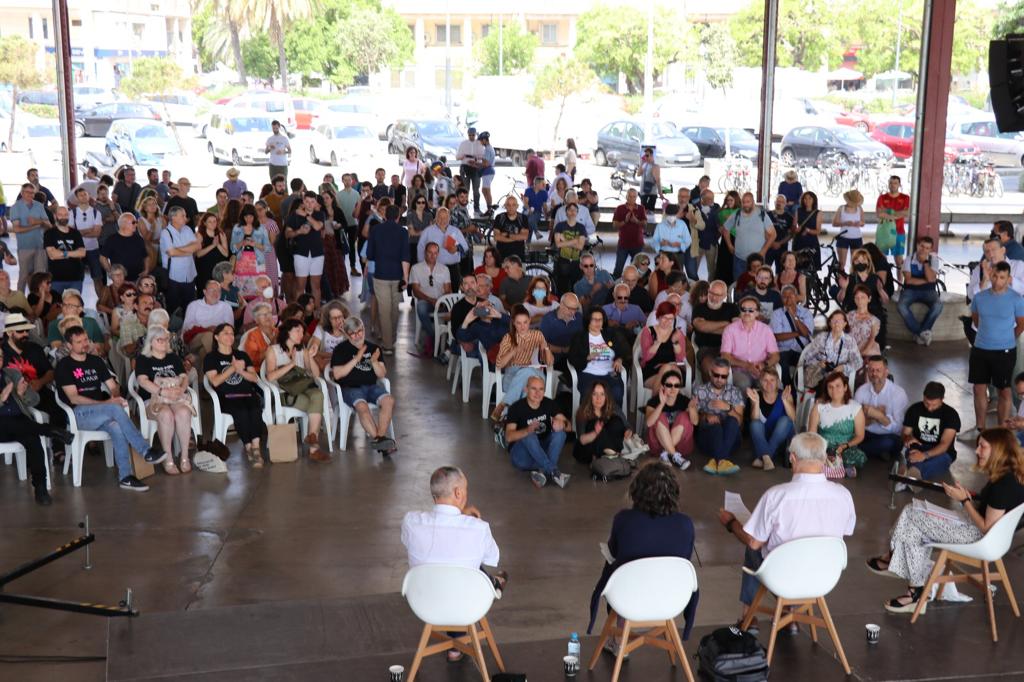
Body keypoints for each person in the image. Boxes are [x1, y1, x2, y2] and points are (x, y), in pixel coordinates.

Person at [869, 427, 1024, 613]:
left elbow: (986, 527)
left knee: (914, 518)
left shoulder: (1004, 484)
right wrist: (967, 497)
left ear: (999, 449)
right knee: (913, 511)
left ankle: (908, 579)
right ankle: (905, 576)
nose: (976, 451)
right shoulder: (1010, 475)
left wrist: (964, 500)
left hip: (979, 536)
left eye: (982, 446)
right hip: (981, 531)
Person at [719, 432, 856, 627]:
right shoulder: (843, 495)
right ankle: (788, 613)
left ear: (792, 458)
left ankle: (748, 617)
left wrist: (730, 523)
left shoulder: (777, 496)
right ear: (824, 458)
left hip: (784, 576)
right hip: (824, 576)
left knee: (753, 547)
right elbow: (844, 533)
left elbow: (753, 542)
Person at [587, 461, 698, 648]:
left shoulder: (624, 520)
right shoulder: (685, 524)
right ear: (674, 491)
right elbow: (684, 560)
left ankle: (620, 640)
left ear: (637, 491)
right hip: (671, 599)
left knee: (621, 572)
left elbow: (614, 553)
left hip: (628, 599)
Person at [55, 325, 163, 491]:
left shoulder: (96, 361)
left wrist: (115, 395)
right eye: (79, 342)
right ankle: (145, 450)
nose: (84, 344)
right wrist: (107, 404)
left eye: (85, 340)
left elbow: (112, 386)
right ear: (69, 346)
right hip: (78, 415)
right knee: (114, 409)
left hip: (102, 413)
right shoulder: (64, 365)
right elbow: (73, 397)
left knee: (117, 427)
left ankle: (125, 477)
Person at [964, 262, 1024, 443]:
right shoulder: (980, 297)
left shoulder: (1016, 299)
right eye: (995, 276)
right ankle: (980, 428)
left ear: (1009, 279)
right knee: (978, 388)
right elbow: (976, 320)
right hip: (980, 348)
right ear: (991, 275)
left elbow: (1021, 324)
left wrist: (1006, 338)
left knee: (1004, 391)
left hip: (1004, 351)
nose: (998, 281)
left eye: (1002, 278)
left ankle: (1001, 432)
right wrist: (988, 335)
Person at [0, 363, 72, 505]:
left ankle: (41, 488)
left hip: (20, 423)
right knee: (18, 425)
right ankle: (49, 430)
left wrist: (21, 394)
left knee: (33, 439)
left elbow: (34, 399)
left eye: (1, 356)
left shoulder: (10, 374)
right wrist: (2, 398)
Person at [331, 316, 397, 454]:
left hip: (371, 387)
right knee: (362, 406)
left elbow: (382, 374)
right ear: (347, 335)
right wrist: (357, 358)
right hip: (350, 388)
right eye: (353, 333)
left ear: (364, 329)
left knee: (389, 400)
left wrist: (374, 362)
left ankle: (380, 440)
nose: (357, 336)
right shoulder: (340, 349)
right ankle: (382, 442)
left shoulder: (374, 348)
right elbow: (337, 374)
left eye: (359, 331)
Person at [265, 318, 328, 461]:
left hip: (304, 387)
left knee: (318, 395)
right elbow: (270, 376)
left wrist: (310, 357)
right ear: (287, 332)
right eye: (297, 331)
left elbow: (316, 375)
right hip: (284, 392)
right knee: (316, 405)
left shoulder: (302, 350)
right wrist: (291, 364)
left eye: (302, 331)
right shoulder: (273, 350)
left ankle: (312, 439)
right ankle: (313, 450)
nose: (301, 334)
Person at [203, 323, 265, 467]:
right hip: (227, 397)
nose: (230, 336)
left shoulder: (241, 355)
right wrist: (233, 368)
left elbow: (254, 378)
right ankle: (248, 447)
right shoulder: (211, 358)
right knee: (241, 412)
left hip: (247, 394)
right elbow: (215, 382)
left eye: (232, 333)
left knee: (255, 410)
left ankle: (256, 448)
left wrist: (241, 371)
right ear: (216, 337)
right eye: (226, 333)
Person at [135, 326, 195, 475]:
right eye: (159, 340)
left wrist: (181, 389)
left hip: (175, 397)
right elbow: (142, 381)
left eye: (165, 339)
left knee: (183, 413)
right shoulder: (143, 359)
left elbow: (184, 377)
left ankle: (185, 456)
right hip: (154, 399)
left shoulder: (173, 358)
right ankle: (167, 457)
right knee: (166, 415)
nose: (163, 342)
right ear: (151, 342)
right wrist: (162, 391)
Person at [503, 375, 571, 488]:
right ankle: (553, 471)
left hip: (541, 450)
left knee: (560, 433)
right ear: (526, 389)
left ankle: (543, 471)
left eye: (541, 389)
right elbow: (508, 437)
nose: (537, 393)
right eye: (533, 389)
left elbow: (569, 427)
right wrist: (527, 430)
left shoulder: (549, 403)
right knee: (529, 436)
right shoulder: (516, 408)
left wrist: (562, 424)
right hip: (522, 456)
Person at [492, 305, 555, 421]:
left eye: (525, 322)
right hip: (513, 374)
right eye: (519, 323)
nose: (522, 326)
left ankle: (504, 406)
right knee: (528, 388)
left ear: (530, 321)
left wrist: (545, 348)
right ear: (514, 323)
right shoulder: (508, 338)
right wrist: (514, 350)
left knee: (529, 374)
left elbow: (550, 363)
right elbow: (499, 364)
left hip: (534, 373)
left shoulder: (537, 335)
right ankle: (524, 423)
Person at [894, 380, 961, 487]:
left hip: (942, 452)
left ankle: (906, 478)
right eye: (926, 403)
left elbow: (944, 445)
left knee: (939, 460)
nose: (929, 408)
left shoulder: (951, 414)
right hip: (918, 447)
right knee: (914, 456)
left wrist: (924, 455)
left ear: (942, 400)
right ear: (923, 397)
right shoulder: (914, 409)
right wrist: (908, 438)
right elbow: (905, 434)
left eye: (934, 405)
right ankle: (913, 478)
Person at [366, 204, 410, 356]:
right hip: (397, 276)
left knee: (384, 310)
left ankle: (387, 344)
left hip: (381, 274)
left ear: (384, 216)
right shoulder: (403, 232)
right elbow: (405, 257)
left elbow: (369, 254)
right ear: (398, 216)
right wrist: (406, 278)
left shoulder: (376, 230)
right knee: (394, 309)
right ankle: (391, 338)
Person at [807, 371, 868, 477]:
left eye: (838, 386)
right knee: (809, 454)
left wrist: (845, 446)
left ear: (845, 387)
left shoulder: (855, 407)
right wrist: (821, 451)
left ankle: (830, 468)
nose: (834, 390)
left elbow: (860, 435)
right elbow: (812, 433)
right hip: (823, 447)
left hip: (846, 448)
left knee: (859, 457)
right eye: (830, 387)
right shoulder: (819, 407)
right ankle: (837, 468)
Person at [692, 356, 745, 475]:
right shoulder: (700, 391)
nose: (719, 379)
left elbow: (740, 423)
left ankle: (716, 461)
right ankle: (722, 461)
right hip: (708, 439)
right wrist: (706, 416)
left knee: (732, 421)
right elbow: (695, 421)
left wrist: (728, 408)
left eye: (724, 376)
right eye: (716, 375)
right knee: (715, 426)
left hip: (730, 439)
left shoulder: (734, 392)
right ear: (710, 372)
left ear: (728, 375)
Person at [853, 355, 909, 463]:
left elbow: (899, 429)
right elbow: (854, 422)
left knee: (889, 443)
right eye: (871, 370)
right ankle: (877, 452)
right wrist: (874, 417)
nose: (874, 374)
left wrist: (879, 416)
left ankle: (857, 451)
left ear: (886, 372)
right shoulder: (861, 391)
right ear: (867, 371)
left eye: (878, 370)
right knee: (852, 436)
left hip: (888, 436)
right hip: (866, 434)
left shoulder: (898, 393)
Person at [568, 306, 626, 408]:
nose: (598, 322)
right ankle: (589, 421)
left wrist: (619, 359)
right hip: (588, 373)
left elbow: (622, 351)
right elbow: (572, 359)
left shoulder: (611, 334)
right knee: (590, 395)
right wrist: (587, 357)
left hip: (610, 373)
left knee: (617, 392)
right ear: (588, 321)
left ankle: (614, 420)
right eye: (594, 319)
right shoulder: (580, 337)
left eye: (600, 319)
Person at [720, 296, 779, 390]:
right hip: (739, 370)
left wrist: (764, 365)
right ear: (740, 312)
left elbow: (775, 355)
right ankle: (741, 405)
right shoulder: (730, 330)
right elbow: (725, 356)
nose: (747, 313)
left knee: (770, 383)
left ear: (757, 313)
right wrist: (747, 366)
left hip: (762, 370)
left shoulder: (766, 330)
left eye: (751, 310)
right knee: (743, 383)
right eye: (744, 309)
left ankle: (763, 405)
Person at [797, 310, 862, 392]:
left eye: (840, 321)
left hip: (839, 377)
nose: (836, 323)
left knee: (833, 386)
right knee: (825, 385)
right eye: (834, 321)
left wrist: (843, 367)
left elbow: (858, 361)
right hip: (819, 376)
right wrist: (818, 363)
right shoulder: (821, 338)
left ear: (845, 324)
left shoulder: (850, 341)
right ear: (830, 323)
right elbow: (807, 357)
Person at [644, 367, 694, 469]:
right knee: (659, 416)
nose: (673, 388)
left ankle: (667, 453)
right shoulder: (654, 401)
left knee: (685, 415)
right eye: (669, 385)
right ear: (663, 386)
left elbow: (695, 422)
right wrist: (661, 405)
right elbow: (649, 423)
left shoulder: (685, 401)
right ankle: (675, 455)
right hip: (658, 446)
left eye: (676, 385)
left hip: (681, 447)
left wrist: (692, 409)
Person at [747, 370, 797, 472]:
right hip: (763, 439)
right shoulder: (756, 395)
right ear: (760, 382)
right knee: (755, 424)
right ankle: (767, 457)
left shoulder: (785, 394)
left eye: (772, 380)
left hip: (782, 440)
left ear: (777, 382)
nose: (769, 383)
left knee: (785, 420)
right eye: (765, 380)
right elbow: (754, 420)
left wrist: (784, 400)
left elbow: (793, 418)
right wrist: (756, 402)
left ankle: (763, 456)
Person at [573, 379, 632, 464]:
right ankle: (613, 455)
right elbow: (582, 440)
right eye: (595, 394)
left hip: (610, 446)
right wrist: (596, 432)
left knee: (617, 422)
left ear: (606, 396)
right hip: (588, 449)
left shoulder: (613, 408)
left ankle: (611, 455)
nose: (598, 398)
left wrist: (628, 432)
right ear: (590, 396)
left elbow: (627, 426)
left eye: (602, 394)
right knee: (594, 425)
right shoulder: (583, 411)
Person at [897, 237, 943, 346]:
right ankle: (922, 333)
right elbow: (908, 280)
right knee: (901, 306)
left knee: (938, 306)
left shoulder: (933, 260)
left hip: (929, 292)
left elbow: (931, 279)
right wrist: (926, 280)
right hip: (910, 291)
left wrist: (925, 263)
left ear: (930, 250)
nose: (923, 250)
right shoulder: (909, 259)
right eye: (922, 246)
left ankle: (919, 334)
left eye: (927, 248)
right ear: (917, 246)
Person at [286, 191, 327, 311]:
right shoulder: (294, 215)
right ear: (303, 201)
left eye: (312, 202)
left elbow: (318, 226)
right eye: (307, 201)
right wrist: (299, 231)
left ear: (315, 203)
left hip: (317, 253)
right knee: (300, 286)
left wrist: (306, 216)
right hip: (300, 253)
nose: (309, 204)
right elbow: (287, 234)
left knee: (316, 286)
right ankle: (299, 313)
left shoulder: (320, 214)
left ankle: (317, 313)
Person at [721, 192, 775, 283]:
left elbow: (773, 235)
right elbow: (725, 230)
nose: (745, 204)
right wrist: (730, 246)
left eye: (748, 202)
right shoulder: (737, 214)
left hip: (757, 261)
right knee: (738, 285)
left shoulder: (762, 215)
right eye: (743, 202)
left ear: (753, 202)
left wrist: (763, 251)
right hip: (739, 259)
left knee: (758, 285)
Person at [409, 241, 451, 357]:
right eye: (430, 253)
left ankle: (445, 342)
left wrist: (441, 300)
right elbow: (416, 291)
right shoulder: (416, 268)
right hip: (426, 301)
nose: (433, 256)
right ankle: (434, 336)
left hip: (441, 302)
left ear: (438, 254)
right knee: (421, 307)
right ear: (425, 253)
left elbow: (448, 290)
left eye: (435, 253)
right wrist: (430, 300)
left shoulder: (444, 269)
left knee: (455, 311)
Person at [692, 280, 739, 381]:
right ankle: (710, 394)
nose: (713, 297)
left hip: (729, 349)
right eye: (711, 293)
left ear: (725, 295)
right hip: (706, 349)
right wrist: (725, 323)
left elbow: (737, 329)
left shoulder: (732, 308)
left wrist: (709, 328)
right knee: (710, 369)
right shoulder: (699, 308)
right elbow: (701, 327)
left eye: (718, 295)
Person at [9, 183, 50, 293]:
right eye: (27, 192)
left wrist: (39, 221)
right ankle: (20, 301)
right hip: (24, 247)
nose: (30, 195)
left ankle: (38, 300)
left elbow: (49, 225)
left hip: (40, 246)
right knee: (24, 276)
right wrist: (36, 226)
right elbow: (16, 229)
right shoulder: (15, 207)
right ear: (22, 193)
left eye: (32, 193)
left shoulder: (39, 206)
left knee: (40, 277)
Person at [182, 279, 233, 366]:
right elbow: (187, 326)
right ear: (204, 292)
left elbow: (230, 328)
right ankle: (220, 364)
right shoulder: (194, 305)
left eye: (218, 291)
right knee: (209, 336)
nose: (215, 294)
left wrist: (217, 331)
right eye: (212, 290)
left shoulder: (226, 307)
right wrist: (207, 329)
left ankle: (204, 378)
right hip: (195, 340)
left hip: (218, 341)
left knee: (203, 353)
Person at [639, 301, 688, 390]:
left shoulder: (677, 333)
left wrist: (675, 343)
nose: (667, 322)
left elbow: (680, 359)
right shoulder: (648, 331)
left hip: (673, 369)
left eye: (670, 319)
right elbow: (646, 357)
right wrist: (657, 342)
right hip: (652, 370)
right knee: (666, 379)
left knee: (670, 371)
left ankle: (657, 403)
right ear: (658, 317)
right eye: (664, 318)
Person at [161, 206, 200, 317]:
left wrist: (179, 250)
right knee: (174, 309)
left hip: (190, 275)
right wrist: (188, 250)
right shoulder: (166, 233)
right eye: (182, 215)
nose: (185, 218)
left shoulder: (187, 229)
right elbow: (171, 253)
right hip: (174, 278)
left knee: (190, 307)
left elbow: (197, 246)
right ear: (173, 217)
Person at [770, 285, 813, 387]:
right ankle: (788, 390)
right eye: (785, 296)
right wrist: (798, 333)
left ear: (797, 296)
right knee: (783, 364)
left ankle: (798, 390)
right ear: (782, 299)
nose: (789, 298)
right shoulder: (776, 314)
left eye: (791, 295)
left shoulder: (806, 312)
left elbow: (806, 333)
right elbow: (778, 337)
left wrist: (794, 316)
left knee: (805, 366)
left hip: (801, 350)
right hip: (783, 350)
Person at [418, 207, 468, 287]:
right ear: (436, 218)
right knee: (436, 293)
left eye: (445, 218)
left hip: (453, 268)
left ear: (449, 218)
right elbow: (420, 249)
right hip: (434, 268)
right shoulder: (428, 231)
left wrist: (457, 248)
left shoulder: (455, 231)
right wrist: (422, 267)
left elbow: (465, 247)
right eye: (440, 217)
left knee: (453, 293)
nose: (442, 220)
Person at [44, 206, 87, 296]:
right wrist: (73, 253)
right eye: (60, 215)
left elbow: (82, 253)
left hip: (76, 277)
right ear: (55, 216)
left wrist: (63, 253)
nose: (63, 217)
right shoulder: (49, 233)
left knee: (74, 305)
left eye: (66, 214)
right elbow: (52, 255)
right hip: (56, 278)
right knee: (55, 307)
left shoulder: (75, 233)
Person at [101, 212, 151, 283]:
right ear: (123, 224)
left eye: (136, 222)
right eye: (133, 222)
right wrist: (111, 272)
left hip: (138, 279)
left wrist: (146, 270)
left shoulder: (139, 239)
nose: (136, 224)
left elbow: (146, 256)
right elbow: (103, 258)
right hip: (120, 281)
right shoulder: (112, 240)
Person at [876, 176, 911, 272]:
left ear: (899, 184)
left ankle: (900, 285)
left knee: (899, 261)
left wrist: (888, 215)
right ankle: (885, 283)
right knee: (882, 260)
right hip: (883, 233)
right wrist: (896, 215)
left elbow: (906, 213)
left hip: (899, 232)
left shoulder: (905, 198)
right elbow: (879, 214)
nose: (893, 185)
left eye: (895, 183)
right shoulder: (882, 197)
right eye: (891, 183)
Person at [612, 189, 647, 277]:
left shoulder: (641, 208)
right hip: (623, 244)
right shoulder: (620, 208)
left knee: (637, 269)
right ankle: (615, 288)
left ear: (636, 197)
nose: (631, 199)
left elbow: (645, 224)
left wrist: (637, 221)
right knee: (618, 269)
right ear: (626, 196)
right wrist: (625, 221)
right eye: (630, 196)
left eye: (634, 196)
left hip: (638, 244)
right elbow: (614, 225)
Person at [832, 189, 865, 272]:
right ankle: (841, 282)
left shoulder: (859, 209)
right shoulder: (841, 208)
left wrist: (859, 223)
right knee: (841, 263)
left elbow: (863, 222)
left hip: (857, 237)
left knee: (856, 262)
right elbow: (834, 223)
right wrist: (845, 223)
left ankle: (853, 281)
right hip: (843, 237)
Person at [848, 285, 882, 364]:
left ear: (869, 299)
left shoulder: (874, 320)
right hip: (848, 349)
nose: (860, 300)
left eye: (863, 297)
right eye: (857, 298)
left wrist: (860, 354)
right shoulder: (848, 315)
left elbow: (872, 340)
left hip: (865, 351)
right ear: (854, 300)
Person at [457, 127, 484, 214]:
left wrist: (475, 159)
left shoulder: (479, 144)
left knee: (476, 189)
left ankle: (476, 207)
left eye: (473, 135)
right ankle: (464, 208)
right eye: (470, 135)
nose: (471, 137)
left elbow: (483, 157)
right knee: (465, 190)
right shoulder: (463, 144)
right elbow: (457, 157)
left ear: (475, 134)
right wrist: (464, 156)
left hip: (475, 168)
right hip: (465, 167)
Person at [493, 196, 529, 261]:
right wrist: (516, 238)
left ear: (517, 206)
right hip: (501, 255)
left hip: (518, 256)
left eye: (513, 205)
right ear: (505, 206)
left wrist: (507, 235)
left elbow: (524, 236)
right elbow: (496, 237)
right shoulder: (499, 217)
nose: (511, 207)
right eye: (508, 205)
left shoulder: (523, 218)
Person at [793, 191, 823, 269]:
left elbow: (818, 231)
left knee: (812, 266)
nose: (807, 200)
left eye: (810, 198)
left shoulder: (818, 213)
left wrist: (808, 230)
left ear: (814, 200)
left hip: (811, 242)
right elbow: (793, 227)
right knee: (798, 265)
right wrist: (796, 229)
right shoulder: (798, 210)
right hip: (799, 241)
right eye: (805, 198)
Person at [523, 175, 548, 241]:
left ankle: (528, 242)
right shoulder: (528, 190)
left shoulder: (544, 193)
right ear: (536, 184)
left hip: (537, 212)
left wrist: (546, 216)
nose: (544, 185)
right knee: (528, 218)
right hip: (527, 210)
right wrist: (529, 209)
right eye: (543, 184)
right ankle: (535, 234)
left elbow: (544, 206)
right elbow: (525, 203)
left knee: (530, 220)